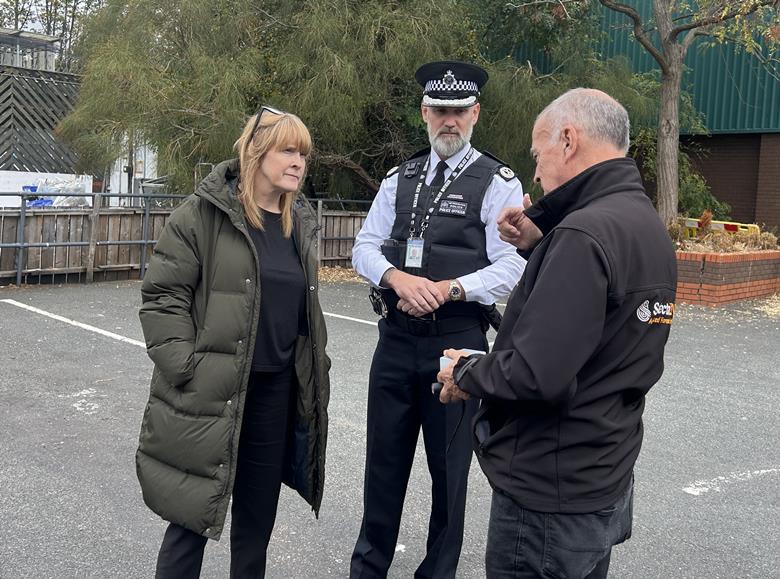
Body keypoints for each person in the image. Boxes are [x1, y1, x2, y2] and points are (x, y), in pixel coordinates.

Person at [437, 88, 677, 578]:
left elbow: (535, 374)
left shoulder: (583, 237)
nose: (536, 173)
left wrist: (467, 369)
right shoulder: (644, 224)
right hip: (603, 473)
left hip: (550, 493)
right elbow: (599, 336)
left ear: (568, 140)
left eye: (538, 153)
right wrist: (541, 238)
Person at [135, 107, 331, 578]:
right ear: (255, 152)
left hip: (274, 396)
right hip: (211, 390)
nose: (298, 162)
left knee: (256, 523)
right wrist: (185, 366)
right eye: (288, 150)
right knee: (192, 518)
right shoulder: (202, 214)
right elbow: (162, 297)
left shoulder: (298, 224)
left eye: (303, 153)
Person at [350, 60, 526, 579]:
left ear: (475, 114)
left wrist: (450, 289)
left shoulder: (498, 182)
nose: (448, 121)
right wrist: (396, 279)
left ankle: (438, 572)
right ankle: (368, 567)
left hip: (457, 345)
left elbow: (514, 263)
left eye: (459, 112)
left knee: (449, 473)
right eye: (439, 111)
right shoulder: (398, 178)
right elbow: (363, 247)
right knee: (382, 465)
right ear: (424, 113)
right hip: (396, 341)